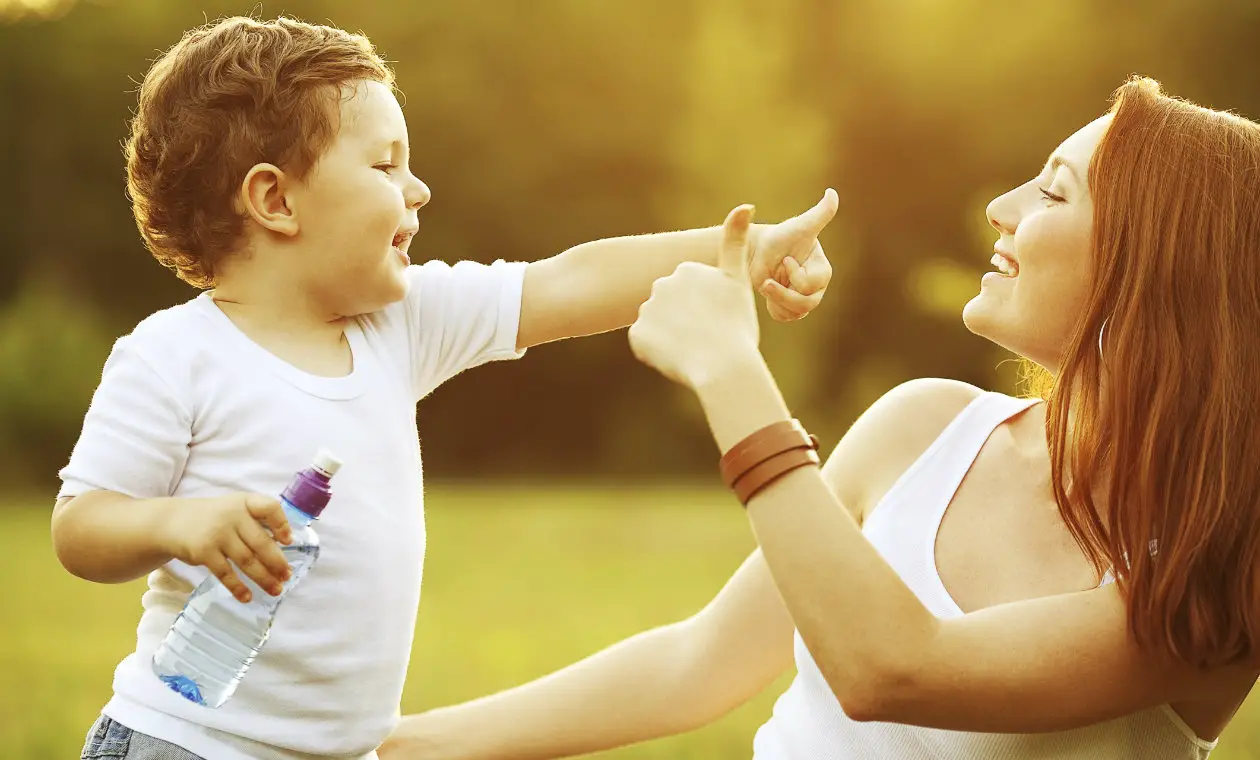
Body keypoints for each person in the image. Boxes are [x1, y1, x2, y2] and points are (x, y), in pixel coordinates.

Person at [380, 77, 1260, 760]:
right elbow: (700, 662)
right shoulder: (925, 431)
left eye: (1055, 194)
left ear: (1154, 268)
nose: (1003, 207)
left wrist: (732, 373)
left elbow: (891, 668)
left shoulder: (1209, 574)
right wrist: (411, 744)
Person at [55, 16, 838, 760]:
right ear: (275, 201)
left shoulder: (400, 324)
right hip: (179, 743)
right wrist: (179, 525)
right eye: (385, 164)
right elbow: (81, 527)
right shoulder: (174, 355)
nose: (418, 188)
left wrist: (749, 249)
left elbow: (570, 281)